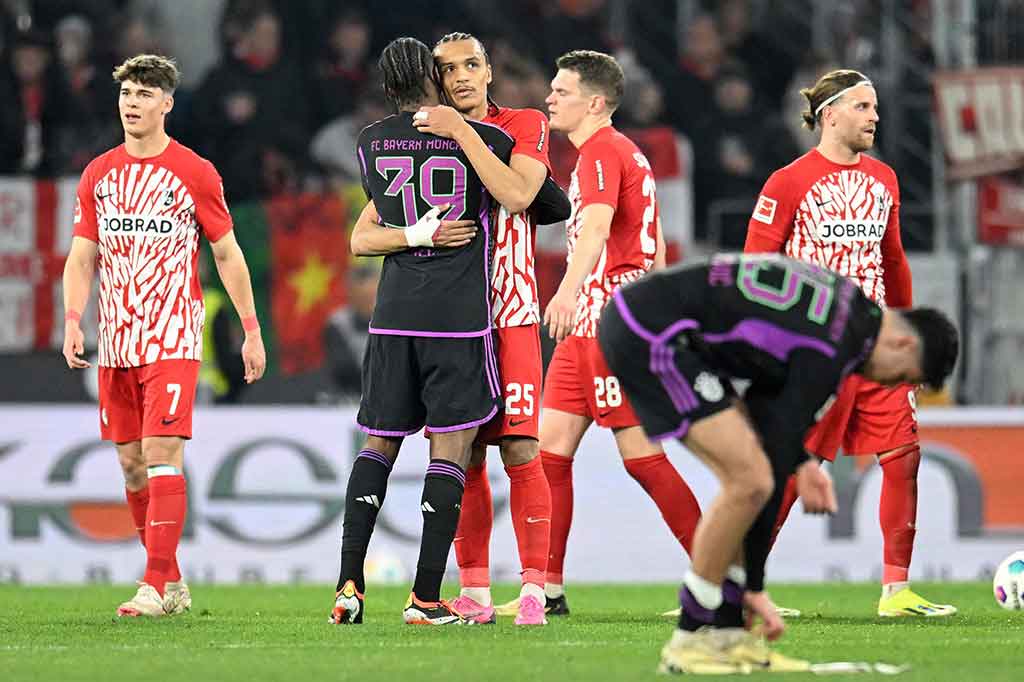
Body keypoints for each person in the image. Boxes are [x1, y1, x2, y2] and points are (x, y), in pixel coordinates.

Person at [598, 253, 958, 673]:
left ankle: (727, 636)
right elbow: (775, 447)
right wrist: (754, 585)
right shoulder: (836, 347)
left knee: (751, 479)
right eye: (901, 376)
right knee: (750, 482)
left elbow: (770, 411)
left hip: (652, 321)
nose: (888, 384)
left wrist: (801, 462)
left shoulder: (850, 309)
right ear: (904, 343)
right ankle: (690, 638)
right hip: (650, 333)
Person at [743, 68, 956, 618]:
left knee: (903, 455)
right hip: (814, 350)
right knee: (787, 469)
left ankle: (895, 591)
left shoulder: (884, 178)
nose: (875, 117)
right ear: (829, 114)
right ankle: (742, 586)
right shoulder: (788, 181)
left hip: (880, 345)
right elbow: (756, 267)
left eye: (876, 107)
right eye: (863, 107)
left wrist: (910, 330)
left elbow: (894, 259)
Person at [61, 54, 266, 618]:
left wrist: (251, 330)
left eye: (145, 94)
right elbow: (82, 257)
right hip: (117, 341)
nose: (132, 102)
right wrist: (73, 317)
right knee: (130, 464)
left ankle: (150, 585)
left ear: (167, 104)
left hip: (174, 337)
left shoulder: (194, 172)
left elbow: (227, 252)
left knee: (161, 453)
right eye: (127, 92)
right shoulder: (98, 174)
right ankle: (172, 581)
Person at [330, 37, 514, 627]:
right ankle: (425, 598)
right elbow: (532, 198)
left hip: (391, 317)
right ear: (436, 79)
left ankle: (349, 587)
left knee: (378, 443)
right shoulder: (485, 141)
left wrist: (414, 234)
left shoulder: (369, 143)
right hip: (457, 319)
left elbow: (365, 236)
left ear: (384, 87)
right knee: (451, 447)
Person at [405, 31, 566, 626]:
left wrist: (461, 132)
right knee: (463, 454)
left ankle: (531, 589)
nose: (464, 76)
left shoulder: (523, 123)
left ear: (489, 70)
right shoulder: (421, 138)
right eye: (449, 69)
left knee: (523, 448)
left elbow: (520, 194)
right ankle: (472, 590)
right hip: (451, 319)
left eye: (473, 64)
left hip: (514, 309)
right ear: (439, 81)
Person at [536, 49, 701, 615]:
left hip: (607, 317)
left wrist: (564, 291)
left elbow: (600, 228)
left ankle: (723, 578)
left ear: (596, 102)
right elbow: (649, 245)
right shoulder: (617, 153)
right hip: (596, 320)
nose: (551, 98)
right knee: (547, 452)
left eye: (562, 90)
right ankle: (547, 589)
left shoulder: (603, 150)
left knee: (641, 454)